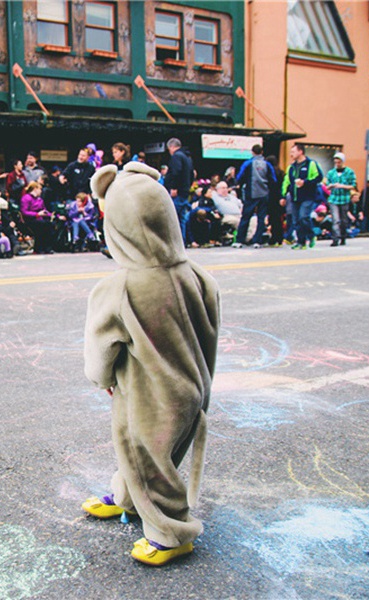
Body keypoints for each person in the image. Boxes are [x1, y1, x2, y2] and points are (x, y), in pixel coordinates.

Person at [82, 161, 219, 567]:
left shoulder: (119, 286)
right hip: (192, 389)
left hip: (145, 394)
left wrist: (103, 378)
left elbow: (100, 349)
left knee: (145, 455)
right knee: (160, 455)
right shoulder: (196, 275)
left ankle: (171, 531)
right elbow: (210, 329)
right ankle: (127, 496)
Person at [233, 144, 277, 249]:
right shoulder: (267, 165)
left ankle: (240, 240)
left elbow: (240, 176)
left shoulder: (248, 163)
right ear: (262, 152)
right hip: (264, 193)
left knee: (246, 216)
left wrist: (239, 183)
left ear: (252, 152)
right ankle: (257, 241)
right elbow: (273, 179)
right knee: (261, 218)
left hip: (251, 193)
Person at [282, 142, 322, 249]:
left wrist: (305, 182)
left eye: (293, 152)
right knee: (296, 221)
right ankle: (301, 242)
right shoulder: (291, 167)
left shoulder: (311, 164)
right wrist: (283, 195)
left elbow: (319, 177)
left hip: (308, 196)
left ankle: (311, 235)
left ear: (300, 152)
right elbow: (286, 181)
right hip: (295, 197)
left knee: (303, 217)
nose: (291, 154)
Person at [163, 137, 193, 245]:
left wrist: (174, 187)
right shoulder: (187, 157)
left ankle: (175, 242)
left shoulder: (176, 157)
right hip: (185, 191)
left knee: (173, 217)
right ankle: (182, 241)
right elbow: (192, 174)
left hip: (177, 192)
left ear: (171, 147)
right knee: (182, 219)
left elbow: (176, 172)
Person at [325, 152, 357, 246]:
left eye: (339, 162)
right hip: (334, 198)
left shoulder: (349, 172)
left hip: (344, 198)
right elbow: (327, 185)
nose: (337, 164)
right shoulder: (331, 172)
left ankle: (343, 236)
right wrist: (331, 186)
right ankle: (335, 238)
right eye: (336, 162)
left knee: (343, 220)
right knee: (336, 219)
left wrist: (342, 186)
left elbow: (353, 185)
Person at [20, 181, 54, 254]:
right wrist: (37, 214)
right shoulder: (26, 198)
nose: (41, 191)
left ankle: (47, 247)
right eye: (40, 189)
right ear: (35, 189)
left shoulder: (39, 199)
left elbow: (44, 210)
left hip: (39, 218)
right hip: (29, 220)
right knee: (41, 225)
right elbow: (24, 212)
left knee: (49, 224)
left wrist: (53, 215)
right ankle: (39, 248)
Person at [265, 155, 285, 246]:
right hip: (279, 197)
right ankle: (279, 238)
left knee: (272, 218)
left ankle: (274, 237)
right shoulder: (281, 173)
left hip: (271, 197)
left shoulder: (269, 173)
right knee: (278, 219)